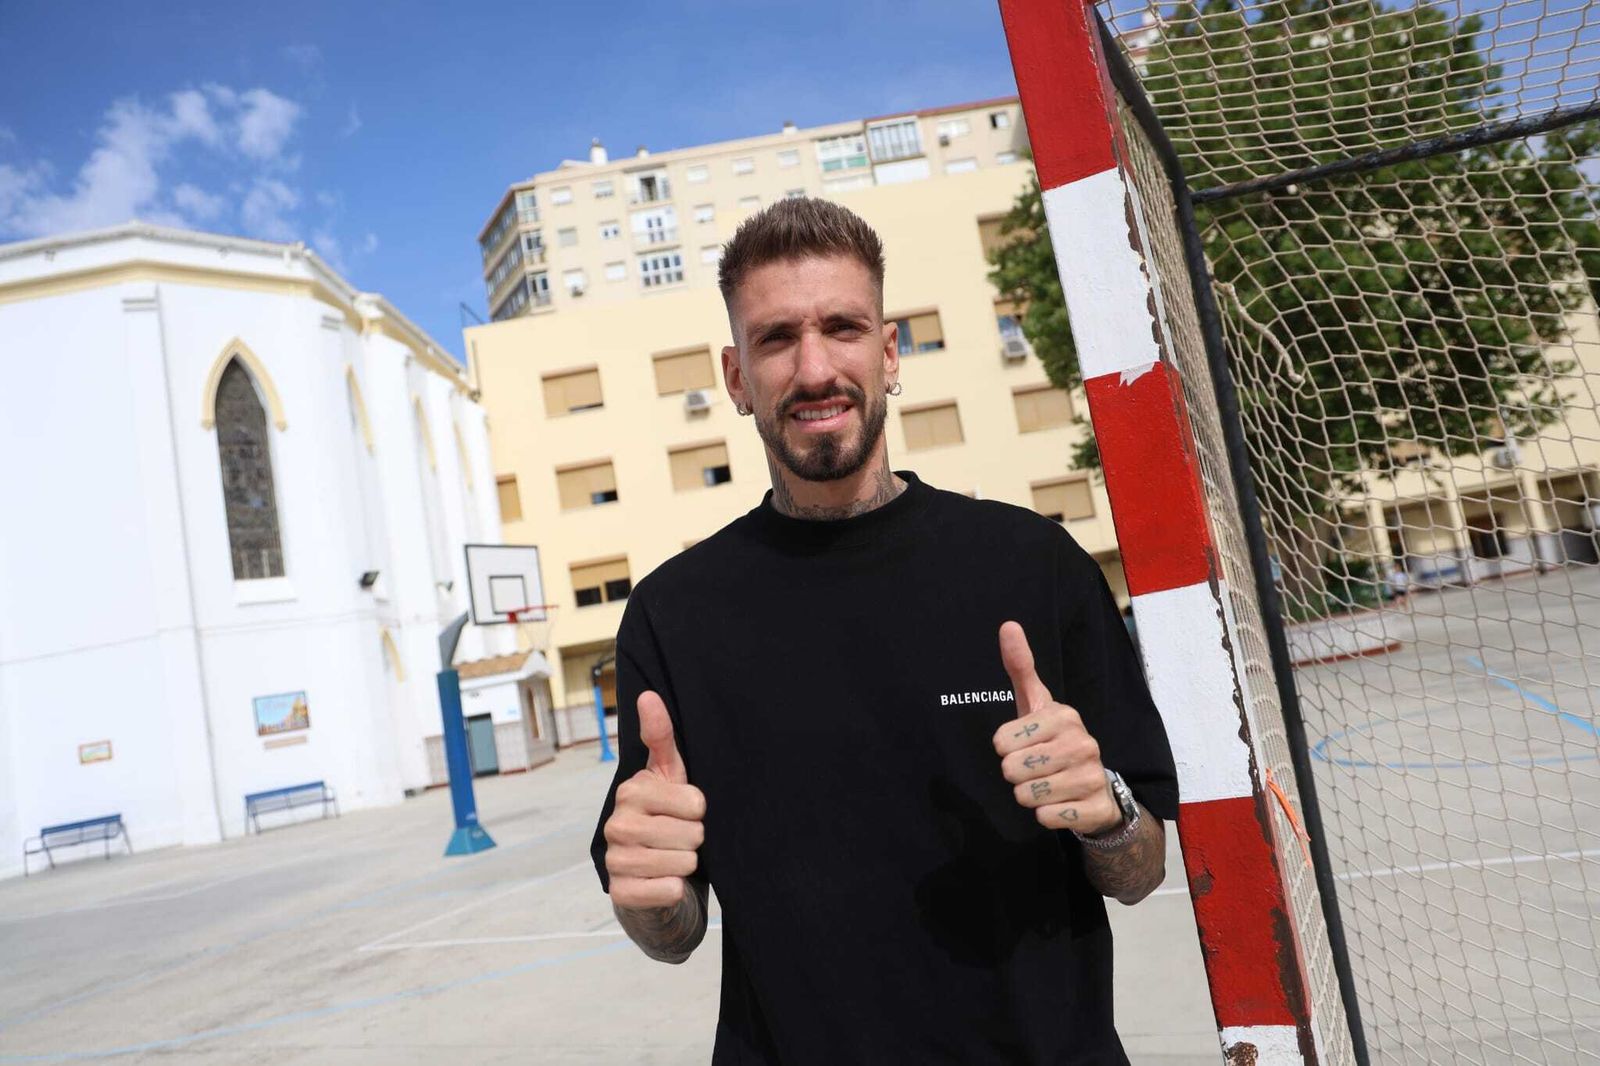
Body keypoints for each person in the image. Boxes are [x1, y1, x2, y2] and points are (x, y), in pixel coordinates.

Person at [591, 198, 1179, 1064]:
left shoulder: (1032, 566)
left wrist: (1106, 817)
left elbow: (1141, 871)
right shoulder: (673, 615)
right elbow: (672, 932)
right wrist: (647, 892)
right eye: (776, 339)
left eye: (843, 328)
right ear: (735, 377)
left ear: (890, 352)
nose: (815, 368)